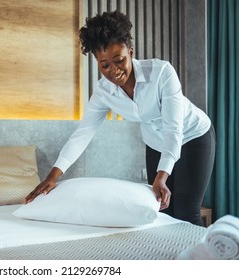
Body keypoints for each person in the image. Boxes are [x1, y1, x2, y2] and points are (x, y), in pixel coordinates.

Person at [25, 10, 216, 226]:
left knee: (186, 212)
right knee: (162, 212)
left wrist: (162, 175)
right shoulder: (103, 92)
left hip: (193, 136)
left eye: (119, 60)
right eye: (105, 65)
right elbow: (83, 134)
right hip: (155, 143)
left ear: (131, 52)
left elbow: (174, 129)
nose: (114, 70)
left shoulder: (161, 73)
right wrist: (53, 176)